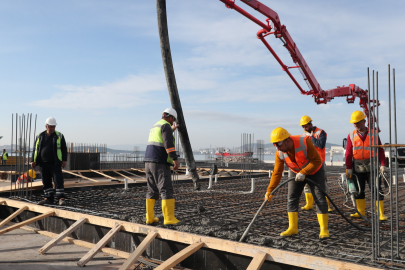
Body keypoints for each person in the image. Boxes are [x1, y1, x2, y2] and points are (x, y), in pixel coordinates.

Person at [266, 127, 329, 239]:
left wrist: (304, 172)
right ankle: (293, 228)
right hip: (295, 171)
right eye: (275, 144)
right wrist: (270, 191)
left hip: (315, 170)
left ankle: (324, 229)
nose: (277, 147)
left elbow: (317, 160)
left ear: (287, 140)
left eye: (278, 144)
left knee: (319, 198)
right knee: (292, 198)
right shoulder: (280, 152)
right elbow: (277, 173)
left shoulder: (304, 141)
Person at [345, 110, 388, 221]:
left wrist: (383, 164)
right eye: (354, 123)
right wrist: (348, 168)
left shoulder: (373, 133)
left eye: (358, 122)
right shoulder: (351, 135)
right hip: (357, 167)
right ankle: (360, 212)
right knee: (359, 190)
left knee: (376, 189)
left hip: (372, 166)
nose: (356, 125)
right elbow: (348, 152)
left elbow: (380, 150)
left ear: (364, 121)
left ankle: (381, 214)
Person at [144, 108, 181, 225]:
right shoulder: (166, 126)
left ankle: (149, 218)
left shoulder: (156, 126)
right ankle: (169, 218)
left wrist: (172, 130)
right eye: (173, 120)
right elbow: (168, 144)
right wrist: (175, 159)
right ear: (170, 117)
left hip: (148, 162)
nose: (172, 122)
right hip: (160, 162)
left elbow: (160, 138)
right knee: (166, 189)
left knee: (152, 190)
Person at [31, 117, 68, 206]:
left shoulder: (59, 136)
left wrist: (64, 160)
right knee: (46, 181)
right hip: (43, 163)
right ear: (46, 126)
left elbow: (64, 149)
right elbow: (35, 149)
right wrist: (33, 160)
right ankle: (48, 198)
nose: (52, 128)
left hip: (55, 162)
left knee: (58, 180)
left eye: (53, 127)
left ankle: (61, 198)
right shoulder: (40, 136)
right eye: (50, 127)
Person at [300, 116, 332, 212]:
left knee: (323, 184)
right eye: (303, 127)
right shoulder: (303, 135)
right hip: (308, 162)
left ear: (310, 124)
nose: (305, 128)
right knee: (306, 185)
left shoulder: (321, 132)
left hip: (319, 163)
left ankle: (327, 206)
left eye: (306, 126)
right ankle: (309, 204)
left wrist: (310, 138)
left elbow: (320, 144)